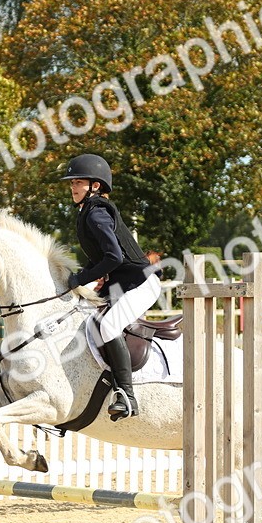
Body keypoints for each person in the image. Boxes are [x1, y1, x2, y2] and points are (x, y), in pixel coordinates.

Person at [60, 153, 159, 420]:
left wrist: (81, 278)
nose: (73, 187)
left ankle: (126, 395)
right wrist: (87, 277)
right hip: (121, 284)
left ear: (95, 185)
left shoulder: (97, 214)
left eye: (78, 182)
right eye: (72, 183)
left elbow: (114, 257)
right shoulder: (88, 212)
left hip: (141, 284)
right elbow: (103, 258)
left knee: (109, 326)